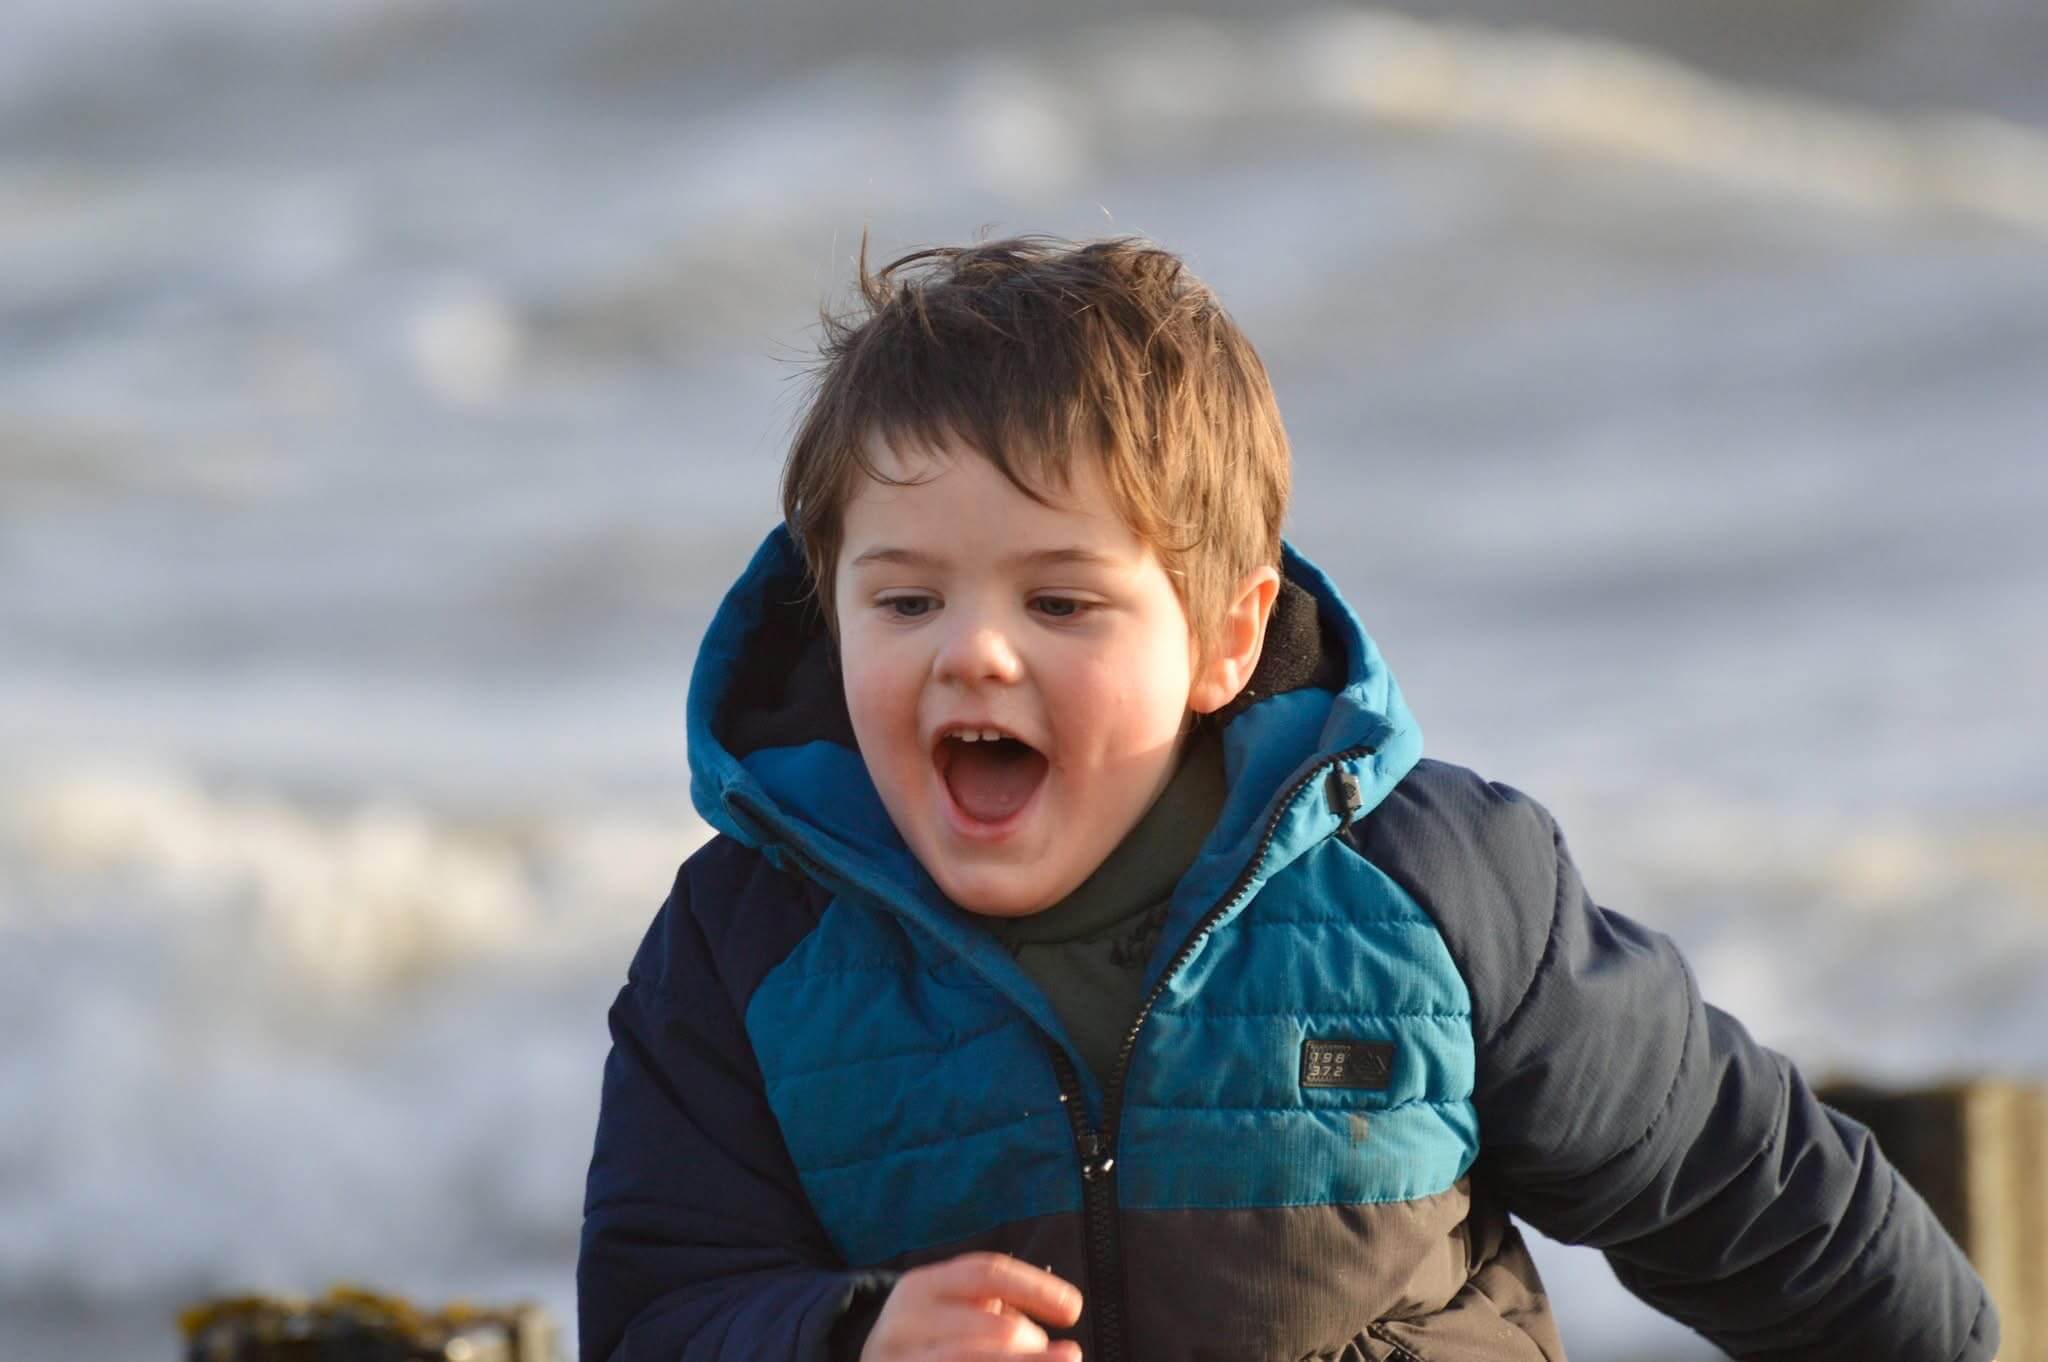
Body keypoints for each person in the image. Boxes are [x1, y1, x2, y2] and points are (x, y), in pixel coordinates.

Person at [577, 236, 1999, 1362]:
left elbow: (1750, 1191)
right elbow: (658, 1312)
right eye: (905, 600)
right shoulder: (745, 948)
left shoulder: (1432, 889)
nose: (974, 652)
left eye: (1060, 600)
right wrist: (850, 1338)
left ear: (1226, 638)